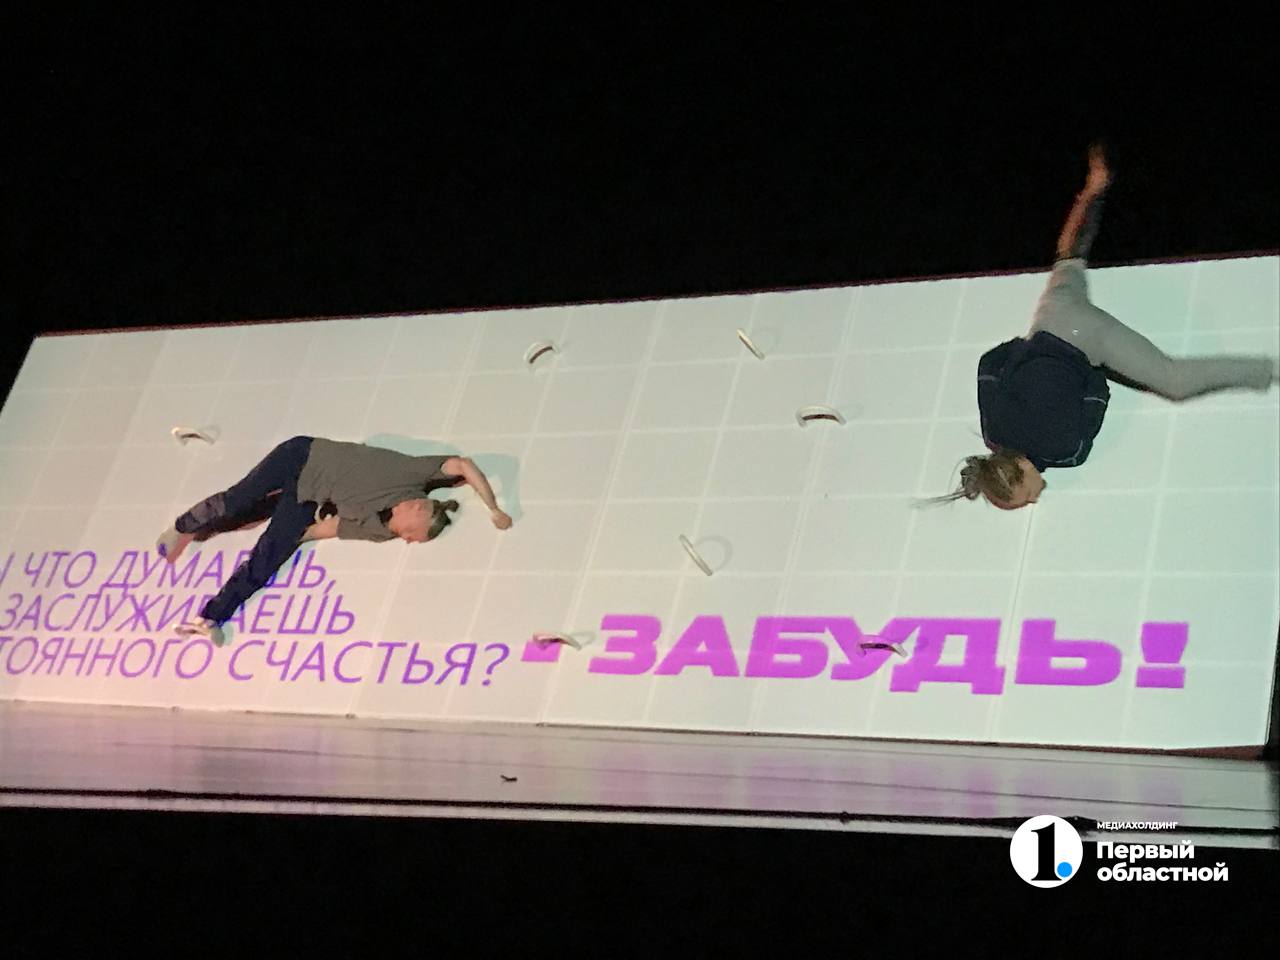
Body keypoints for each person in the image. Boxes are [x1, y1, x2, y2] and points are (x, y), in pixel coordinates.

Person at [930, 144, 1277, 510]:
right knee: (1068, 260)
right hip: (1051, 317)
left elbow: (1098, 394)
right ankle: (1094, 187)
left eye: (1026, 495)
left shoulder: (1065, 452)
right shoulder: (994, 430)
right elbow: (989, 363)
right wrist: (1030, 348)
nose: (1033, 499)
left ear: (1021, 469)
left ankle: (1269, 369)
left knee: (1174, 381)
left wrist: (1087, 365)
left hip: (1085, 340)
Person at [154, 436, 513, 646]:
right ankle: (183, 527)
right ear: (418, 505)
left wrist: (283, 538)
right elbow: (464, 465)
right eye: (412, 534)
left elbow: (325, 529)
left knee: (267, 557)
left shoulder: (380, 530)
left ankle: (210, 618)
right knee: (238, 499)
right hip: (301, 456)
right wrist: (494, 508)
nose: (406, 539)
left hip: (308, 497)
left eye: (410, 539)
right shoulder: (413, 476)